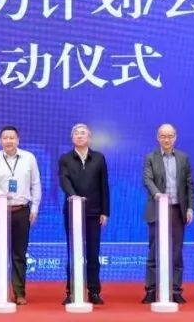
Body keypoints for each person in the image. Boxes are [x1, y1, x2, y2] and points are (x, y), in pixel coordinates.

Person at [0, 126, 41, 305]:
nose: (8, 141)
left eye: (12, 137)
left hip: (22, 211)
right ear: (0, 141)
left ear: (18, 140)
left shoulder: (29, 158)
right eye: (5, 138)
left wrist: (35, 208)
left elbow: (36, 184)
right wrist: (1, 195)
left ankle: (19, 292)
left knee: (19, 254)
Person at [142, 123, 194, 304]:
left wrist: (190, 208)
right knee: (154, 251)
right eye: (163, 136)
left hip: (177, 210)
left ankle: (176, 290)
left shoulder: (183, 158)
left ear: (175, 137)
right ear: (158, 137)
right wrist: (158, 195)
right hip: (157, 209)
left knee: (176, 253)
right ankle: (151, 290)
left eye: (170, 136)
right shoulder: (151, 157)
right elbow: (147, 179)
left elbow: (189, 185)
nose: (167, 139)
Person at [57, 123, 110, 305]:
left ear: (89, 137)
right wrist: (74, 197)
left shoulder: (99, 158)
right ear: (72, 138)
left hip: (94, 212)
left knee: (93, 254)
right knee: (73, 252)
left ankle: (94, 291)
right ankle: (71, 291)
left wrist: (105, 211)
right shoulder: (65, 158)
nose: (79, 136)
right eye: (76, 133)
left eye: (83, 133)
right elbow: (64, 180)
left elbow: (104, 185)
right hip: (72, 212)